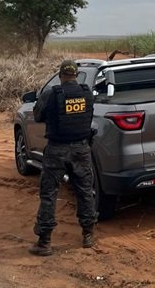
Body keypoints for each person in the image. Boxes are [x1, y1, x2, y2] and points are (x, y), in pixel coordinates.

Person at [29, 59, 97, 256]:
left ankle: (44, 242)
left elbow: (38, 116)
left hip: (56, 150)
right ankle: (88, 235)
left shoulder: (51, 94)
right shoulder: (87, 93)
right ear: (76, 75)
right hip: (81, 149)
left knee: (49, 194)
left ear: (60, 75)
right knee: (85, 191)